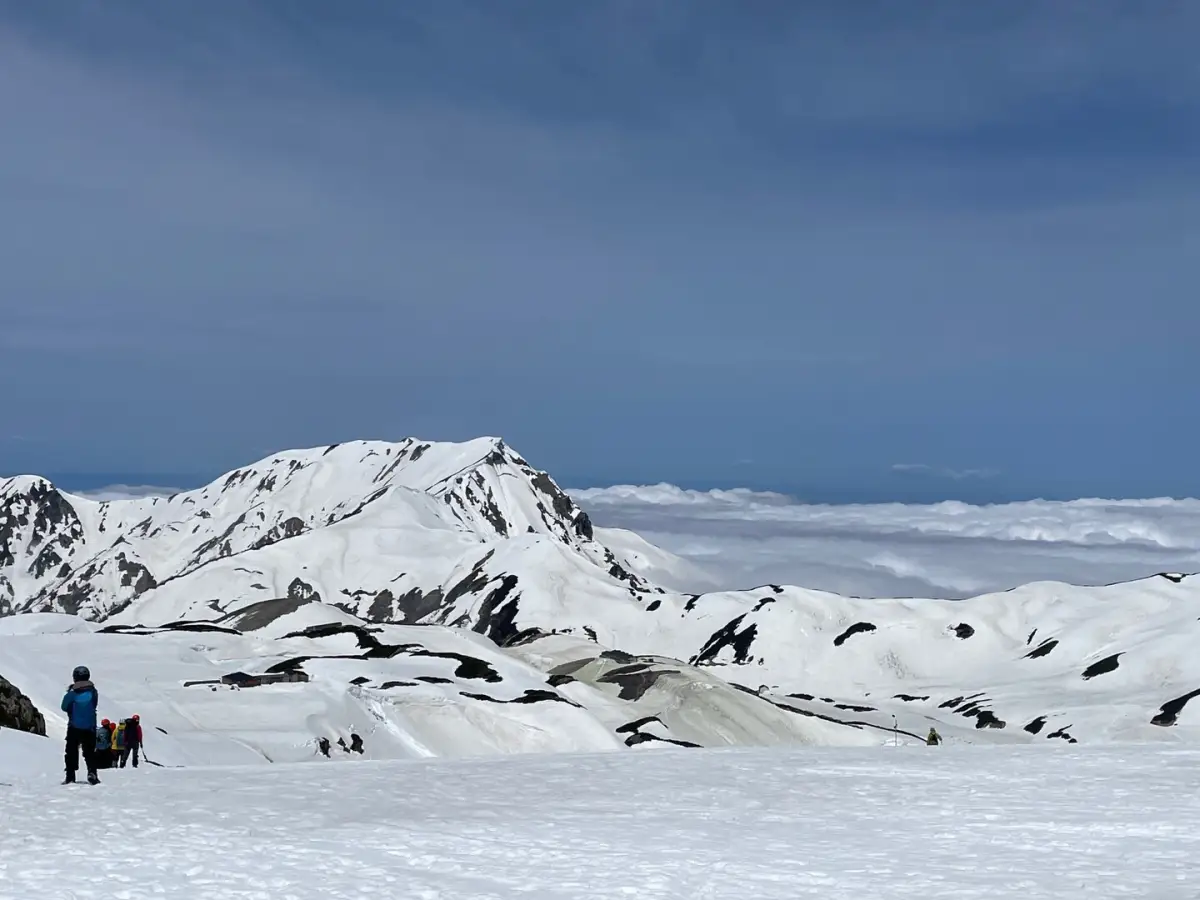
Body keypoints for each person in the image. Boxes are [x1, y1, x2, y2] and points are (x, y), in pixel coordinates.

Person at [61, 666, 100, 784]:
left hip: (74, 726)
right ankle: (92, 772)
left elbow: (64, 707)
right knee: (89, 752)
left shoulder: (72, 694)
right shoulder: (93, 692)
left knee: (71, 751)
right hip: (90, 727)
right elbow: (94, 705)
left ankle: (70, 775)